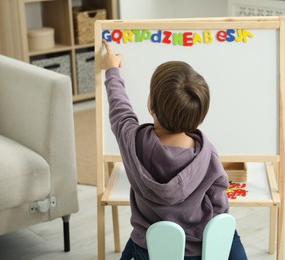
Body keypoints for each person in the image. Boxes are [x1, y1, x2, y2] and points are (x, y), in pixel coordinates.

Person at [101, 40, 247, 260]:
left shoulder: (132, 141)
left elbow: (120, 109)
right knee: (229, 231)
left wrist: (112, 70)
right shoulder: (207, 156)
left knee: (137, 241)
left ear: (151, 105)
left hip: (151, 250)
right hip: (201, 250)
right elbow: (219, 207)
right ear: (198, 115)